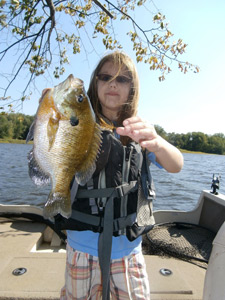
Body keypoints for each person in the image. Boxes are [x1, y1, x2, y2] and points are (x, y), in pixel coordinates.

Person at [59, 51, 183, 300]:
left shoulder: (140, 132)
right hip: (81, 247)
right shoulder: (77, 124)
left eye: (122, 79)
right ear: (96, 83)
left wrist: (156, 142)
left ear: (132, 88)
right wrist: (49, 110)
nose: (113, 83)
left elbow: (176, 164)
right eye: (105, 77)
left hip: (127, 251)